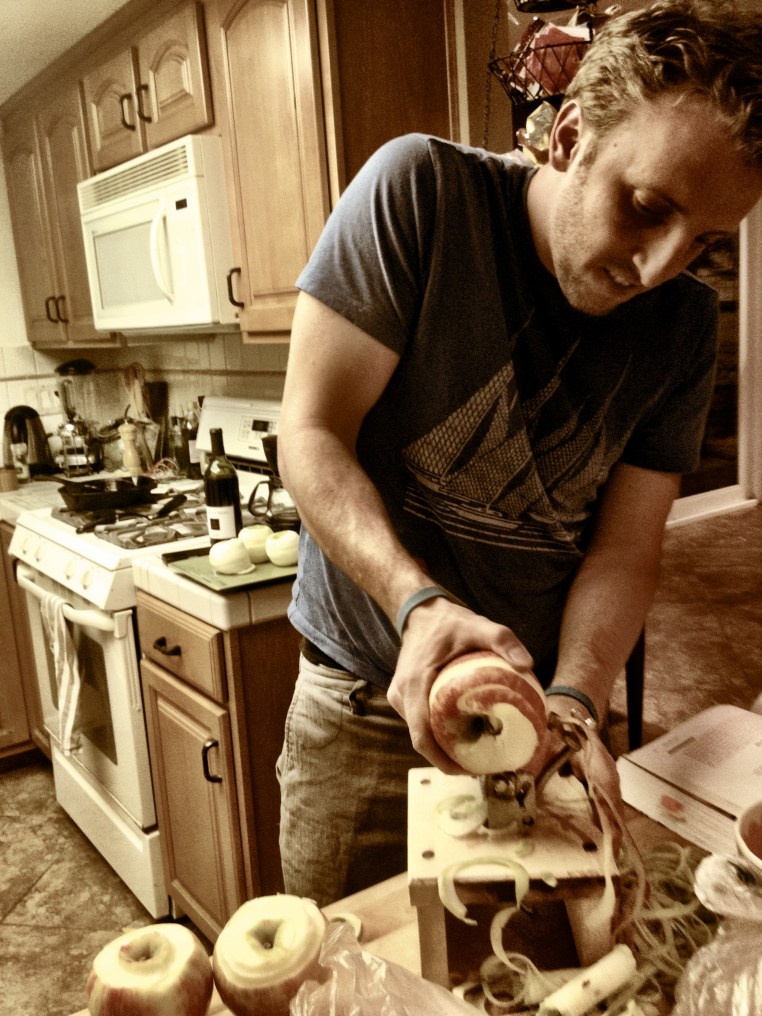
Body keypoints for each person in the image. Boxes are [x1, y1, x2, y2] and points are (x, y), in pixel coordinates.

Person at [275, 0, 762, 907]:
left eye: (702, 242)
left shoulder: (685, 325)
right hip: (368, 708)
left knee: (534, 967)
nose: (658, 267)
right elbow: (309, 434)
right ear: (569, 137)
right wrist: (415, 604)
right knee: (344, 966)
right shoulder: (421, 193)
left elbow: (625, 549)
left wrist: (576, 703)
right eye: (646, 209)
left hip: (544, 716)